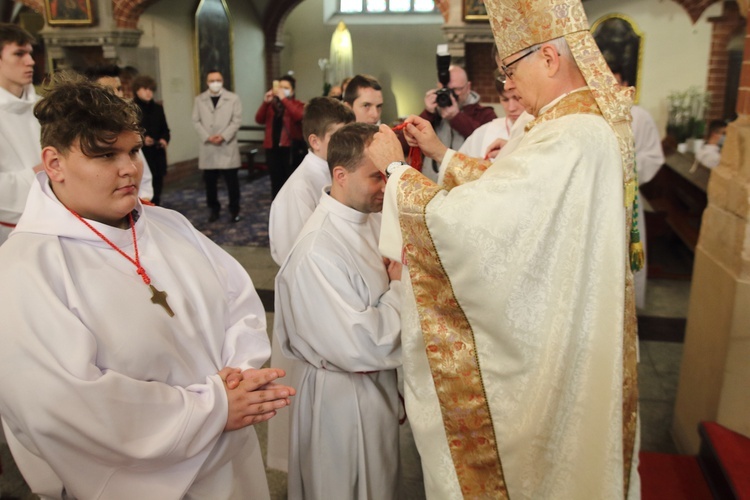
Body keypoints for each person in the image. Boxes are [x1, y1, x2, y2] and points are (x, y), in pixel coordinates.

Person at [364, 0, 641, 497]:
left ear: (550, 59)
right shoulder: (567, 125)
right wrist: (440, 156)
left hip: (553, 336)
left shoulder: (572, 135)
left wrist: (396, 174)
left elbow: (485, 225)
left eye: (512, 68)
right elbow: (509, 189)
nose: (507, 84)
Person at [0, 72, 295, 499]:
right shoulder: (24, 269)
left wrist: (242, 375)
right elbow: (64, 405)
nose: (129, 169)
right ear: (54, 164)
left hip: (231, 457)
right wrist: (213, 409)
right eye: (105, 155)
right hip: (141, 481)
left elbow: (239, 302)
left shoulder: (168, 224)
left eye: (134, 150)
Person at [275, 122, 403, 499]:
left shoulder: (368, 219)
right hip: (343, 400)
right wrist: (397, 288)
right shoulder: (319, 249)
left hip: (372, 389)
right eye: (376, 177)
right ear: (340, 175)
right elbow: (364, 342)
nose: (385, 187)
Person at [269, 96, 356, 265]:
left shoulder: (338, 169)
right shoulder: (299, 188)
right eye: (338, 138)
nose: (349, 146)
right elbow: (297, 253)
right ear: (315, 142)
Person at [610, 62, 665, 309]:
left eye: (615, 82)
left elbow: (653, 156)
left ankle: (627, 311)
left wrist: (622, 168)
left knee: (623, 261)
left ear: (626, 85)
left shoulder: (639, 116)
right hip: (595, 199)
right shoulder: (589, 113)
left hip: (626, 199)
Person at [84, 64, 155, 202]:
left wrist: (143, 200)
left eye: (119, 88)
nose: (116, 94)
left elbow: (143, 172)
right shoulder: (84, 130)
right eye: (108, 90)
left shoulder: (127, 124)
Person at [0, 23, 42, 246]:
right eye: (19, 53)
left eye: (30, 53)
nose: (31, 61)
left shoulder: (44, 107)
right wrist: (38, 174)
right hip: (9, 234)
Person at [420, 65, 496, 180]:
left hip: (467, 185)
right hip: (432, 185)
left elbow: (487, 143)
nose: (451, 95)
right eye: (446, 89)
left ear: (468, 87)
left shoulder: (485, 114)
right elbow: (406, 144)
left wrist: (456, 117)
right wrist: (428, 113)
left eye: (456, 90)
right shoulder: (434, 113)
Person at [193, 69, 243, 222]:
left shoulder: (233, 98)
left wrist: (223, 136)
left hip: (227, 145)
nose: (215, 83)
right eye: (212, 80)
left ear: (222, 81)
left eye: (218, 80)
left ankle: (234, 209)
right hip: (209, 146)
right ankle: (213, 209)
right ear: (207, 82)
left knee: (232, 182)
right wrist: (208, 136)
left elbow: (236, 121)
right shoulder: (199, 99)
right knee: (210, 183)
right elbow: (196, 120)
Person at [458, 70, 530, 160]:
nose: (511, 108)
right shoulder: (483, 133)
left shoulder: (545, 129)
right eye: (505, 100)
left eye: (517, 98)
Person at [255, 74, 305, 198]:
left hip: (290, 149)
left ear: (292, 90)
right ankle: (277, 209)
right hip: (272, 148)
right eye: (280, 87)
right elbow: (259, 119)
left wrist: (284, 99)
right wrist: (265, 103)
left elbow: (299, 115)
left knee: (292, 181)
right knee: (275, 182)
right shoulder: (271, 106)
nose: (281, 89)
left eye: (285, 87)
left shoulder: (297, 104)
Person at [133, 74, 171, 205]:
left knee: (158, 186)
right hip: (142, 154)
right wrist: (142, 140)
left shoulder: (158, 108)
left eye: (151, 89)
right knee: (144, 188)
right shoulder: (132, 108)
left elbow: (165, 129)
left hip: (157, 152)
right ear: (137, 90)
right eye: (145, 89)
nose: (148, 92)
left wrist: (164, 140)